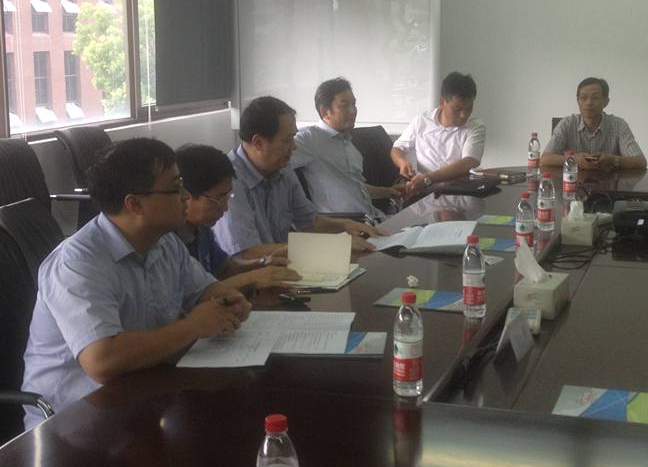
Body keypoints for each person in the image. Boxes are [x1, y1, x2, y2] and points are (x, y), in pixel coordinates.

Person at [22, 138, 252, 427]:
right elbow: (102, 362)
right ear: (135, 204)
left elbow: (205, 291)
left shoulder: (165, 242)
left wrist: (229, 300)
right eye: (175, 187)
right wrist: (194, 325)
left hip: (144, 400)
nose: (185, 195)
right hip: (74, 422)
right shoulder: (78, 264)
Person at [212, 95, 383, 254]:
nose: (294, 147)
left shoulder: (282, 169)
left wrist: (345, 226)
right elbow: (246, 253)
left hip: (283, 266)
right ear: (258, 143)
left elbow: (309, 222)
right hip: (253, 273)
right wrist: (333, 245)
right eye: (288, 139)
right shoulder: (229, 181)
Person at [175, 144, 300, 290]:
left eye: (228, 196)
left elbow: (225, 269)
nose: (225, 208)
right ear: (185, 195)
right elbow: (196, 296)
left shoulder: (201, 229)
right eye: (219, 199)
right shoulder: (169, 241)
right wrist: (253, 278)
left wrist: (264, 263)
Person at [290, 77, 405, 216]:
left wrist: (389, 192)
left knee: (424, 224)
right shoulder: (309, 138)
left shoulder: (347, 142)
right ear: (325, 112)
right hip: (346, 224)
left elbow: (356, 188)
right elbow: (275, 161)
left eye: (353, 104)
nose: (353, 111)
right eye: (344, 105)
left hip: (374, 218)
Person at [391, 71, 486, 195]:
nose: (463, 115)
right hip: (424, 192)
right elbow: (397, 148)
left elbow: (469, 161)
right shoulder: (421, 121)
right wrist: (402, 163)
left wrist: (428, 178)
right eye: (457, 109)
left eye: (468, 109)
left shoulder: (476, 127)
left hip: (459, 193)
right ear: (442, 102)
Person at [541, 77, 647, 171]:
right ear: (578, 102)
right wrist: (574, 159)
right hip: (573, 183)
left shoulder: (618, 125)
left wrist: (613, 160)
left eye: (595, 98)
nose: (588, 103)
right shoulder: (567, 124)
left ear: (606, 102)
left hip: (609, 185)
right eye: (583, 98)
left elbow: (640, 161)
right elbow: (545, 159)